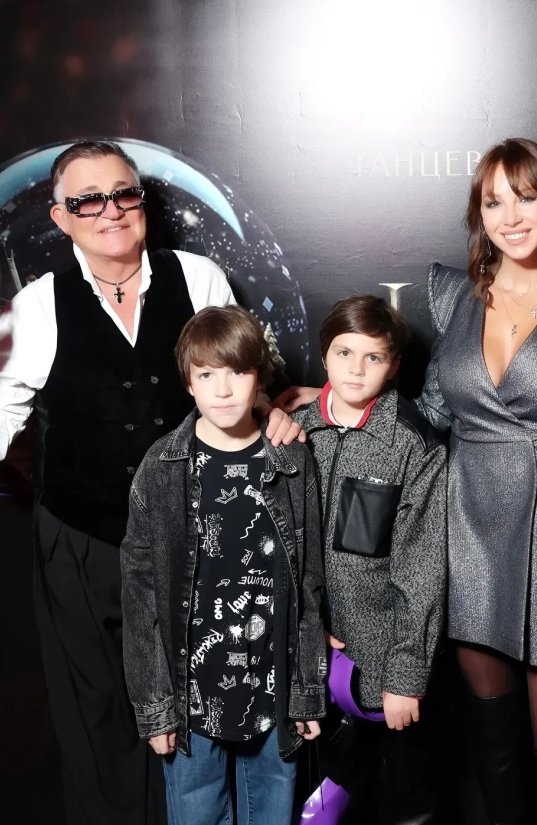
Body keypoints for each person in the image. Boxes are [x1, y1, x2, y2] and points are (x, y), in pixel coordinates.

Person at [282, 138, 537, 824]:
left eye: (526, 197)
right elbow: (427, 418)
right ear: (478, 214)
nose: (511, 216)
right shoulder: (457, 298)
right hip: (469, 540)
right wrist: (325, 406)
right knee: (493, 756)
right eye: (493, 202)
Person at [0, 140, 301, 825]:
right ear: (61, 217)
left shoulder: (198, 277)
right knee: (97, 719)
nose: (110, 210)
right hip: (81, 541)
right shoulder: (37, 305)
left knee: (193, 718)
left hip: (194, 540)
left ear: (142, 201)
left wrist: (273, 412)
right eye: (87, 201)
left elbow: (240, 380)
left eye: (123, 193)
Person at [121, 305, 326, 825]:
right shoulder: (162, 468)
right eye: (207, 375)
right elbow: (141, 597)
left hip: (272, 688)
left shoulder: (292, 460)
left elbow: (308, 584)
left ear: (259, 377)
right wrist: (156, 707)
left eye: (237, 371)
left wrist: (305, 692)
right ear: (188, 382)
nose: (223, 389)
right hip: (191, 694)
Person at [291, 295, 447, 825]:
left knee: (404, 799)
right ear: (324, 355)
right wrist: (302, 631)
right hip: (309, 662)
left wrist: (405, 675)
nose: (356, 369)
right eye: (344, 353)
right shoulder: (294, 433)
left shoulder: (412, 443)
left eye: (373, 357)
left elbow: (422, 570)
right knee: (321, 801)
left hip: (383, 670)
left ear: (394, 365)